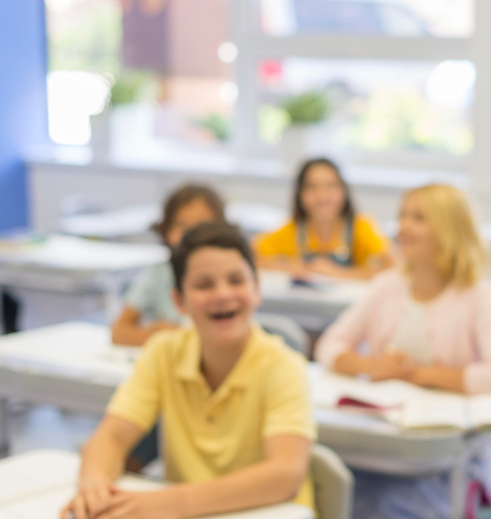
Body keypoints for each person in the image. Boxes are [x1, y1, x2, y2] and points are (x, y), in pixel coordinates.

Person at [62, 222, 316, 519]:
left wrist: (167, 503)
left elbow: (285, 474)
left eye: (236, 280)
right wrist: (94, 485)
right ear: (178, 301)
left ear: (257, 289)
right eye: (204, 284)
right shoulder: (164, 352)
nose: (223, 294)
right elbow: (112, 437)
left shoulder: (283, 366)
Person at [315, 183, 491, 518]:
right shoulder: (386, 286)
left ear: (449, 230)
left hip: (456, 451)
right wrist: (372, 366)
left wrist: (417, 374)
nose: (403, 227)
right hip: (387, 442)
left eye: (419, 218)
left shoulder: (479, 295)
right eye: (402, 216)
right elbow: (329, 346)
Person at [111, 184, 225, 347]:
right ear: (166, 230)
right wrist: (158, 337)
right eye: (181, 225)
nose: (190, 234)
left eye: (201, 226)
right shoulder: (158, 273)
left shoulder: (226, 277)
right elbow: (119, 331)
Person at [255, 158, 393, 280]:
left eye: (330, 185)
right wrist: (289, 267)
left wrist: (339, 273)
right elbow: (251, 255)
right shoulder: (293, 229)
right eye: (312, 187)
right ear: (300, 194)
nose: (322, 195)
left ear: (343, 190)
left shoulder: (361, 226)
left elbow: (393, 266)